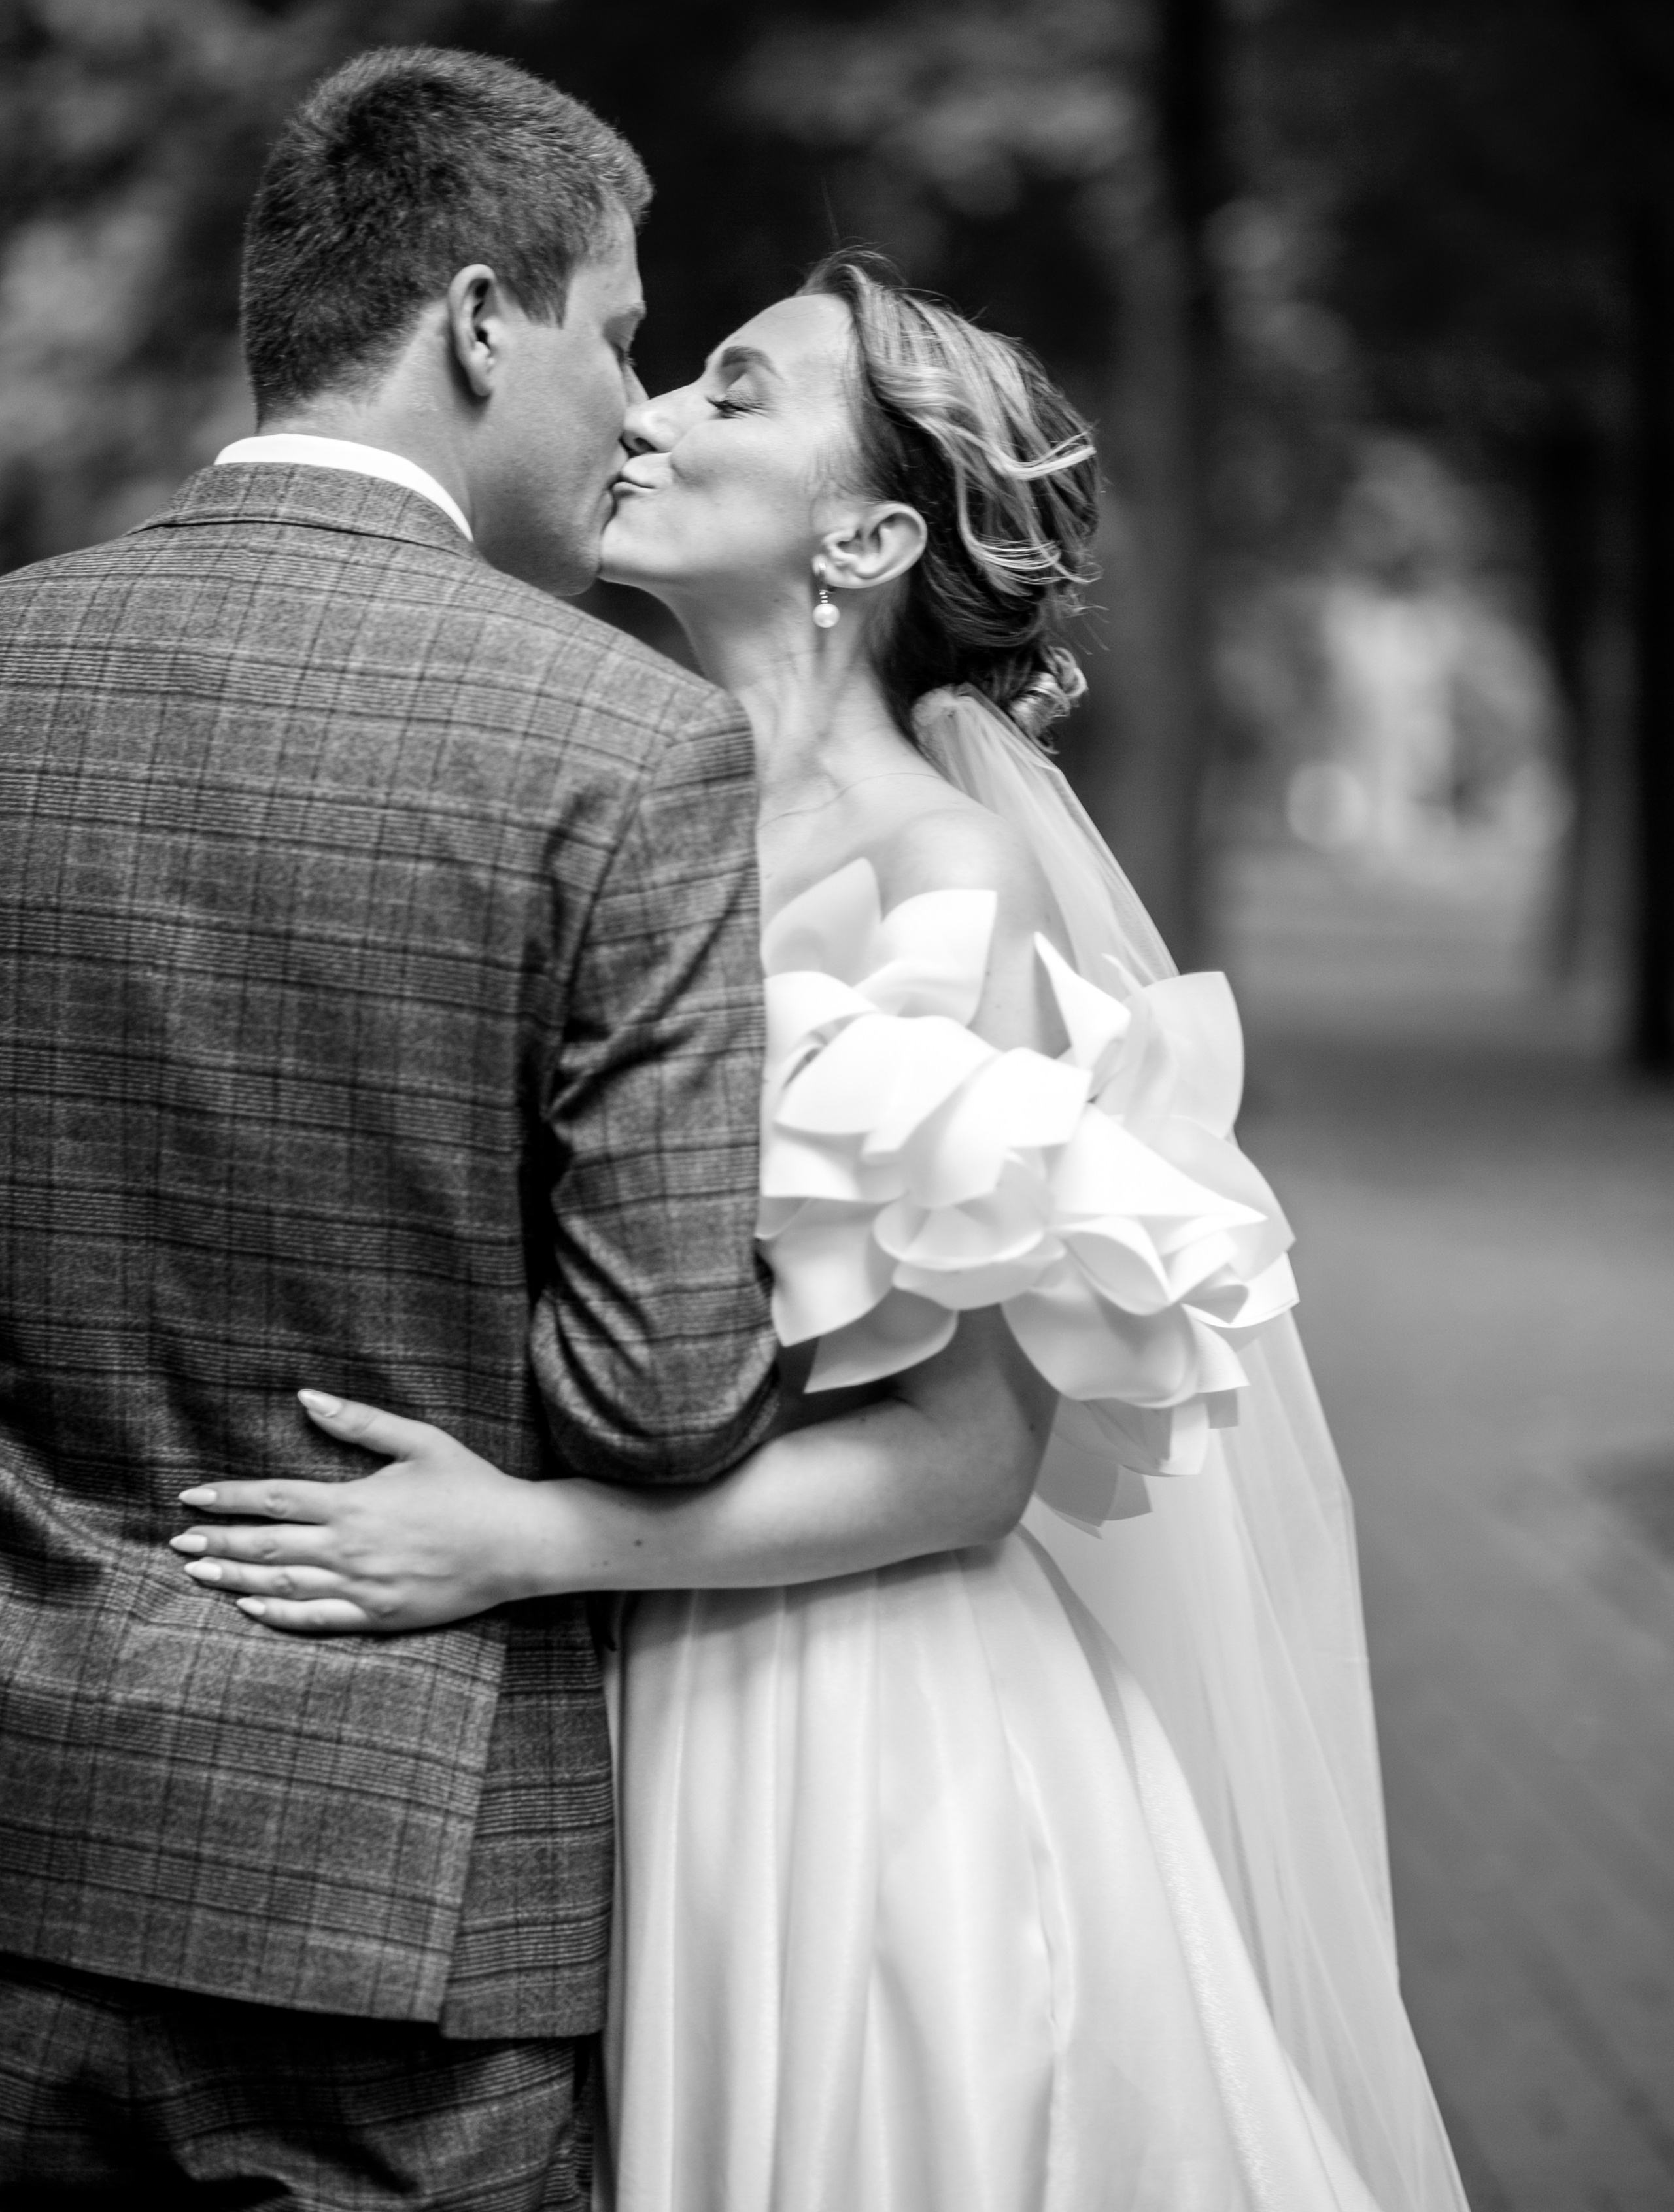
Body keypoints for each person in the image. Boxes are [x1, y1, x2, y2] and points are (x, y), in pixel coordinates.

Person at [171, 258, 1474, 2211]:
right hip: (650, 1705)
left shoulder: (942, 873)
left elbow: (970, 1461)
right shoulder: (634, 819)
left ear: (861, 535)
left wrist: (516, 1541)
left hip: (860, 1733)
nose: (647, 415)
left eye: (730, 390)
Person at [0, 46, 783, 2208]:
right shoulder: (625, 747)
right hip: (404, 1920)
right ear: (473, 319)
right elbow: (662, 1393)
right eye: (619, 334)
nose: (636, 408)